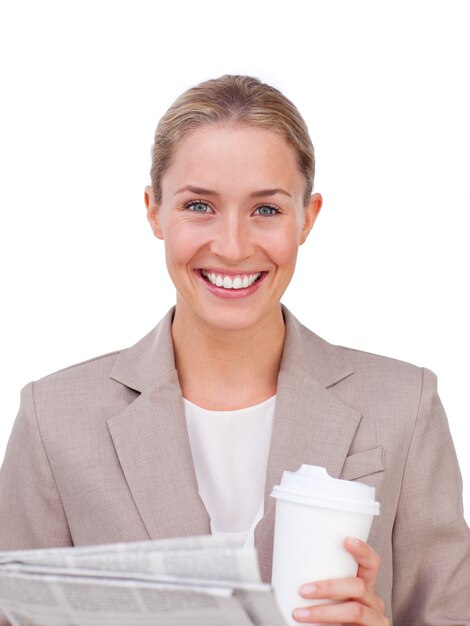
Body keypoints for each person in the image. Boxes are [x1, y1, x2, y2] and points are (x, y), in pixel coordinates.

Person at [0, 75, 469, 626]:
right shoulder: (55, 418)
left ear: (307, 217)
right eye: (199, 205)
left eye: (266, 210)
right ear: (153, 211)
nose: (232, 245)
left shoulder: (403, 406)